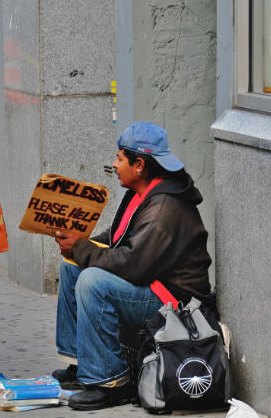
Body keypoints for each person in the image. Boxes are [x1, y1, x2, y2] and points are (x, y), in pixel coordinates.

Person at [52, 121, 212, 411]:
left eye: (119, 158)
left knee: (91, 281)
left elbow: (133, 263)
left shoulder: (164, 206)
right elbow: (116, 240)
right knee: (71, 267)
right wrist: (79, 245)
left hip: (175, 301)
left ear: (139, 164)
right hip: (152, 282)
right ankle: (80, 363)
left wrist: (81, 247)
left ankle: (111, 382)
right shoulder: (142, 193)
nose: (114, 165)